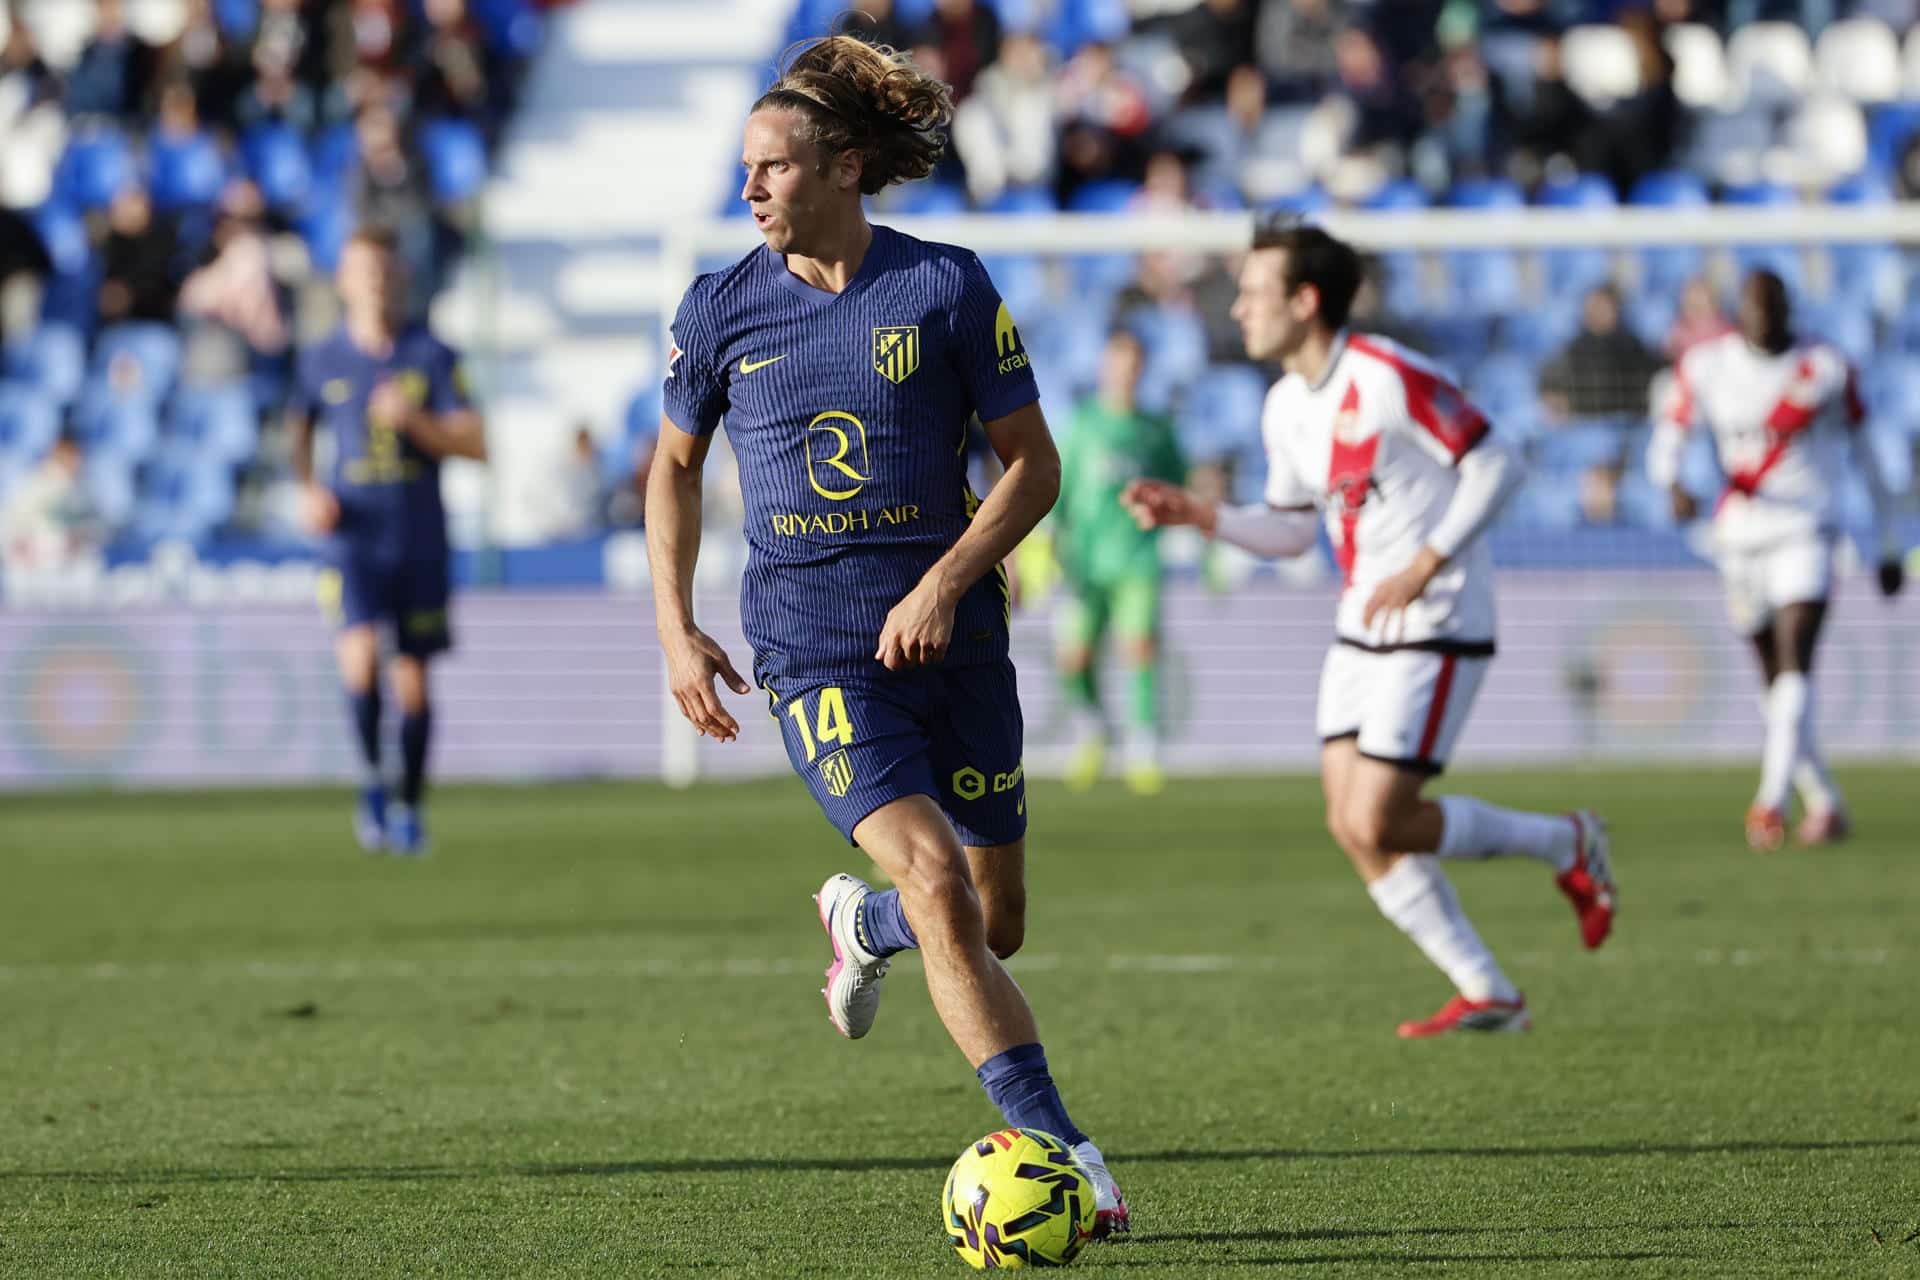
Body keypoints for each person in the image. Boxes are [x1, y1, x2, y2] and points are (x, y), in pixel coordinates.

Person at [646, 35, 1129, 1235]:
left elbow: (1034, 467)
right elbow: (672, 467)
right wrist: (676, 627)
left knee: (990, 911)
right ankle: (1071, 1155)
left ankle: (860, 922)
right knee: (938, 885)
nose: (750, 188)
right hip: (813, 649)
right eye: (743, 169)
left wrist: (948, 582)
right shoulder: (718, 310)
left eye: (773, 167)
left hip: (956, 641)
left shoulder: (947, 286)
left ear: (846, 167)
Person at [1122, 219, 1616, 1038]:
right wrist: (1201, 516)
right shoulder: (1284, 406)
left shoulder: (1387, 376)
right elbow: (1289, 531)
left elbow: (1500, 462)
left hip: (1438, 613)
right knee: (1350, 823)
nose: (1238, 306)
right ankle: (1488, 987)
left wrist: (1426, 561)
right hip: (1362, 622)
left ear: (1306, 301)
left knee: (1379, 817)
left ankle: (1566, 843)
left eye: (1254, 291)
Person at [1647, 270, 1905, 851]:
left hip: (1806, 532)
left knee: (1797, 662)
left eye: (1773, 307)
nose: (1764, 318)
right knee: (1775, 682)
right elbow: (1669, 435)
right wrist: (1671, 483)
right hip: (1738, 540)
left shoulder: (1826, 368)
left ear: (1788, 310)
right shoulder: (1707, 367)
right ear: (1741, 312)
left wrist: (1888, 544)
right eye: (1754, 308)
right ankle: (1826, 800)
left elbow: (1869, 458)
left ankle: (1769, 802)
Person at [287, 225, 487, 855]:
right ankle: (372, 781)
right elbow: (297, 430)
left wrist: (416, 422)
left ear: (398, 279)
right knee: (361, 653)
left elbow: (476, 445)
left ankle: (408, 805)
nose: (373, 282)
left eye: (382, 271)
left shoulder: (433, 355)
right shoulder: (322, 358)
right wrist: (307, 488)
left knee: (414, 684)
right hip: (353, 532)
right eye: (361, 271)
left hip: (420, 533)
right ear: (344, 282)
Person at [1053, 328, 1184, 793]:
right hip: (1084, 563)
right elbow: (1058, 490)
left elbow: (1178, 487)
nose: (1124, 374)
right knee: (1074, 656)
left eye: (1133, 366)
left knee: (1139, 648)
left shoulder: (1156, 431)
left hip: (1137, 561)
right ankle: (1092, 730)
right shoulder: (1083, 425)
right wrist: (1050, 543)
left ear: (1141, 371)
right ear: (1105, 367)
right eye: (1118, 364)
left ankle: (1142, 747)